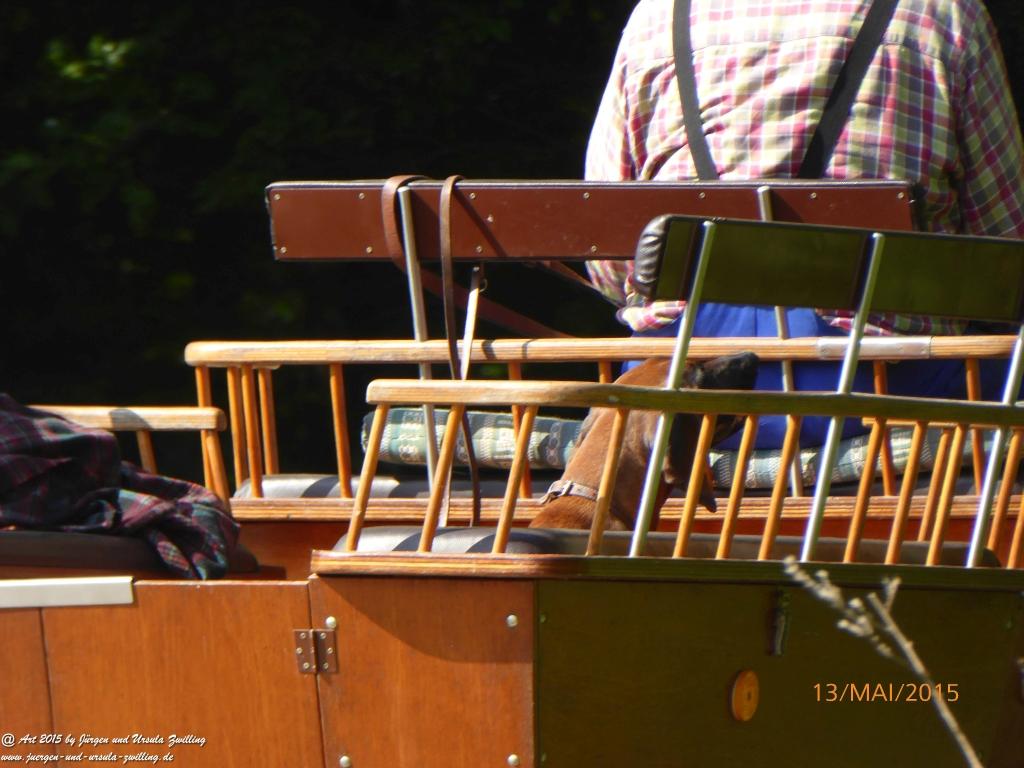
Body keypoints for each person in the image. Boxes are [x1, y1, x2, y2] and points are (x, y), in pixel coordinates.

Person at [585, 0, 1024, 448]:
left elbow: (612, 259)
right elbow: (1005, 250)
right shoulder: (942, 13)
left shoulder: (658, 17)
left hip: (675, 409)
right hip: (879, 395)